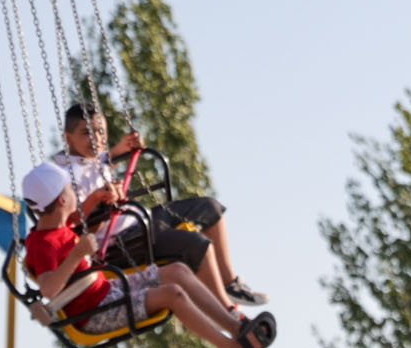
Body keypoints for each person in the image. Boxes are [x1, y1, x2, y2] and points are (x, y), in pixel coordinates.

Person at [18, 140, 274, 348]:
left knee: (177, 271)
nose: (76, 195)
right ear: (63, 200)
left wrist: (98, 197)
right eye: (71, 190)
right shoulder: (43, 243)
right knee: (173, 294)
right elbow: (48, 289)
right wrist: (77, 254)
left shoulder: (62, 226)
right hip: (94, 314)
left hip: (107, 291)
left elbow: (79, 217)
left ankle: (237, 327)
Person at [38, 102, 265, 308]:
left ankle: (230, 283)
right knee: (197, 244)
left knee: (210, 208)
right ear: (68, 138)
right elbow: (71, 224)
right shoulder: (63, 177)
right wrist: (97, 199)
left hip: (140, 221)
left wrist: (123, 148)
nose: (96, 139)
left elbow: (101, 162)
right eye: (87, 133)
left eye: (100, 132)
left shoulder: (91, 158)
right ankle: (227, 311)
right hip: (119, 242)